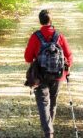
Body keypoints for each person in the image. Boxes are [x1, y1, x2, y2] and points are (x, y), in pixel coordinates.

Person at [24, 9, 73, 138]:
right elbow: (69, 55)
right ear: (51, 20)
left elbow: (28, 58)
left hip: (40, 76)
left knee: (43, 103)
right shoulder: (59, 36)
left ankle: (48, 132)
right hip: (58, 76)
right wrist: (67, 69)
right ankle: (49, 127)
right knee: (53, 101)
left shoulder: (36, 36)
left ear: (40, 21)